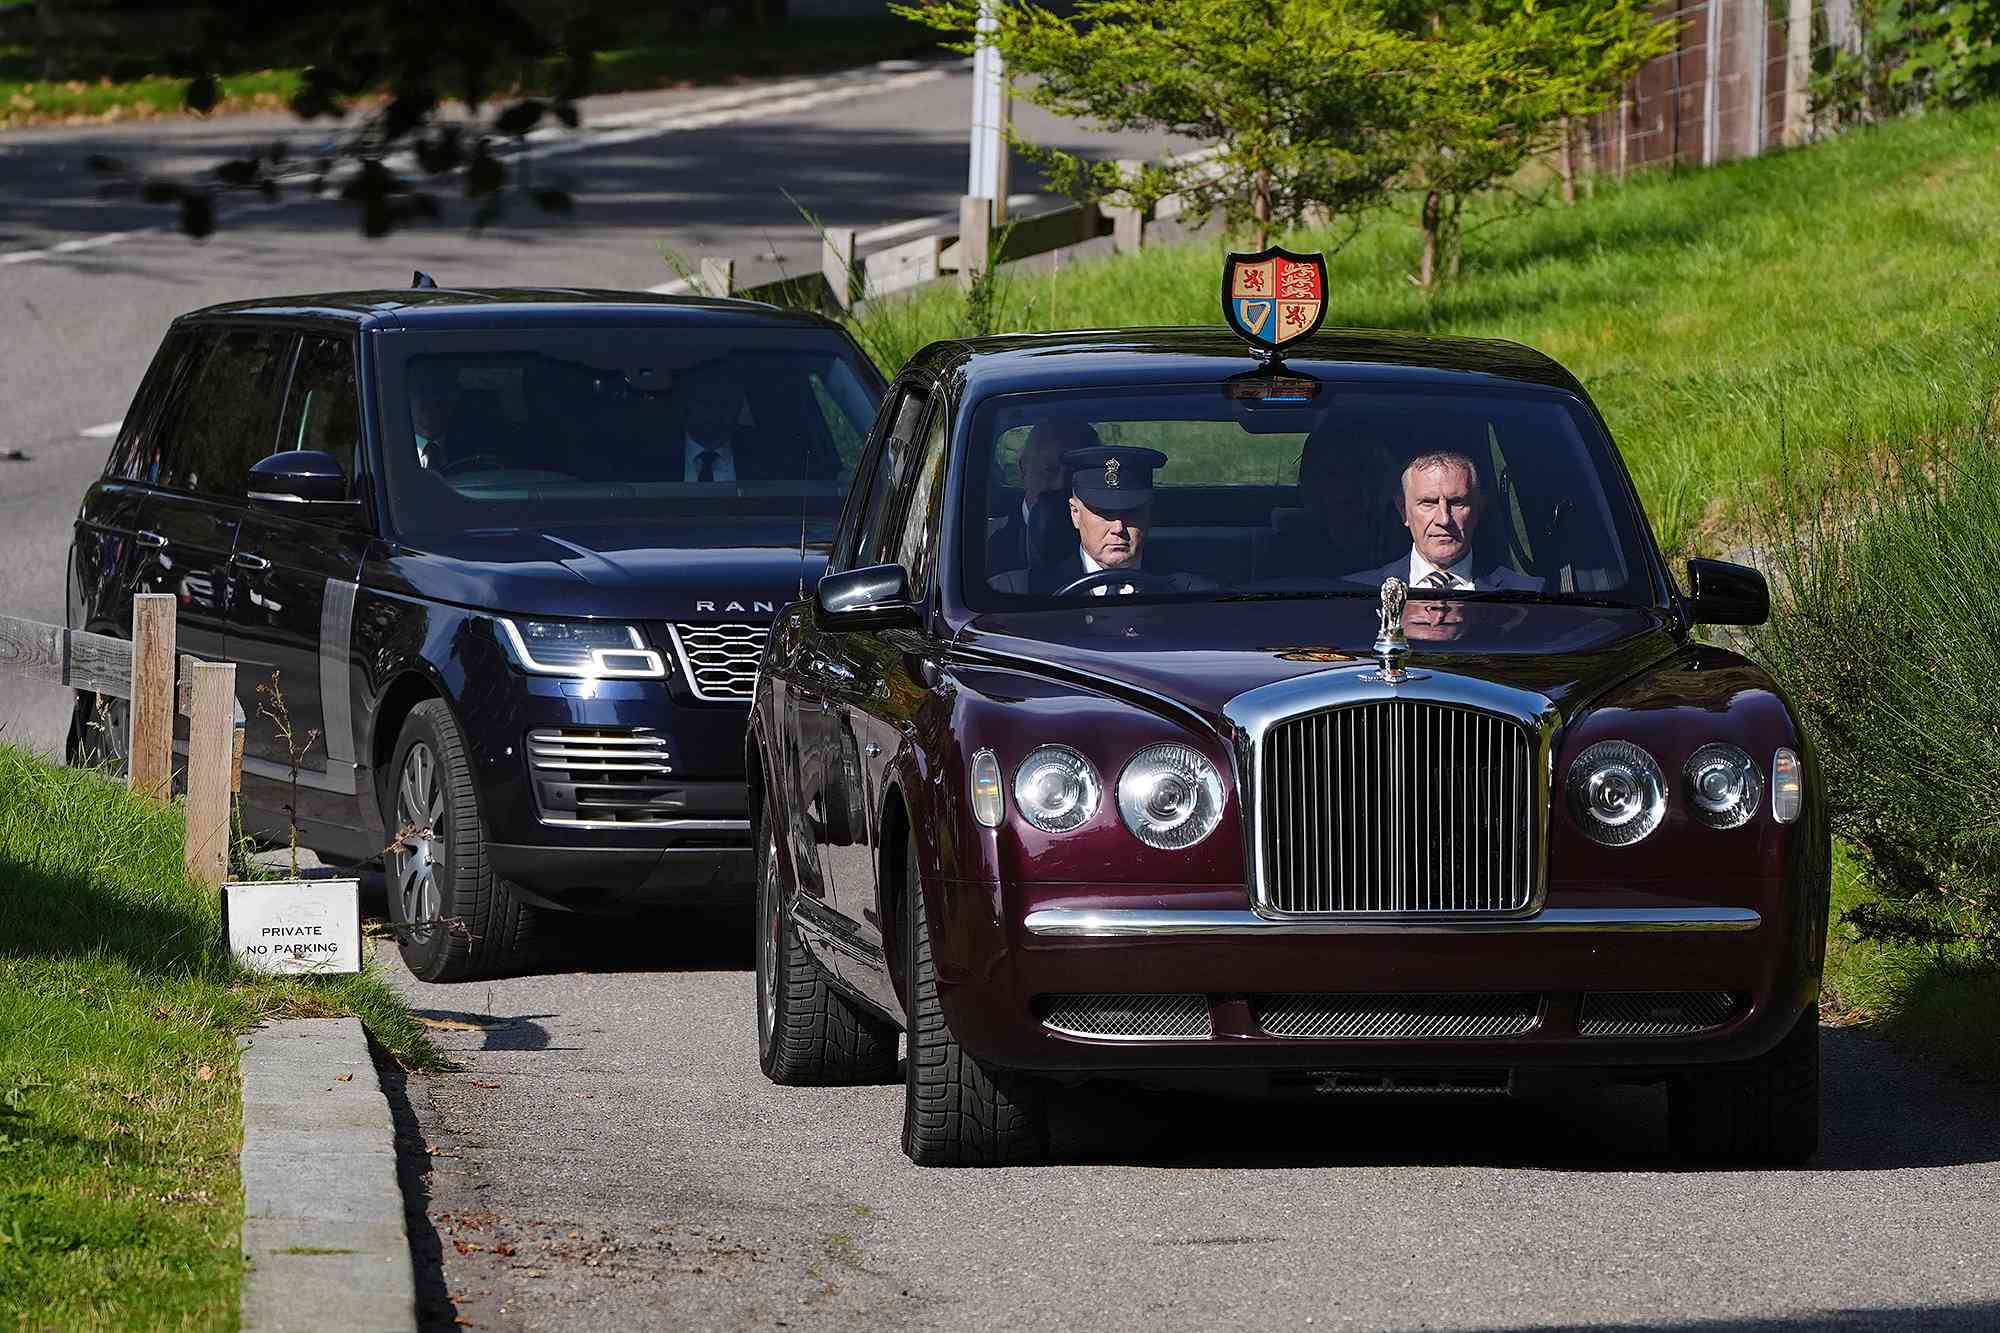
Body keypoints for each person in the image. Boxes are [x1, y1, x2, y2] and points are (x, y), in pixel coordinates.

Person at [992, 445, 1216, 596]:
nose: (1118, 527)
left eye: (1131, 512)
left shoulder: (1191, 593)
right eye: (1104, 513)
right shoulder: (1021, 592)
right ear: (1075, 513)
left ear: (1149, 513)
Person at [1345, 449, 1544, 592]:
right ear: (1403, 510)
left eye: (1457, 503)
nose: (1443, 518)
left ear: (1478, 509)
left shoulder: (1528, 596)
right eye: (1428, 503)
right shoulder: (1357, 594)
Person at [987, 419, 1092, 573]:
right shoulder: (983, 542)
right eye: (1049, 470)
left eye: (1073, 474)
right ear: (1024, 468)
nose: (1060, 484)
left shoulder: (1113, 537)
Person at [408, 360, 460, 469]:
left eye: (440, 393)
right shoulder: (386, 450)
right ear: (406, 399)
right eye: (421, 392)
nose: (432, 404)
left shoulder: (477, 450)